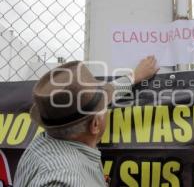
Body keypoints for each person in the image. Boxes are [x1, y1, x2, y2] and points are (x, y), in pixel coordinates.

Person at [14, 56, 159, 187]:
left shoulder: (45, 143)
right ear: (95, 124)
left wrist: (133, 77)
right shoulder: (66, 179)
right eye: (104, 107)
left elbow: (96, 96)